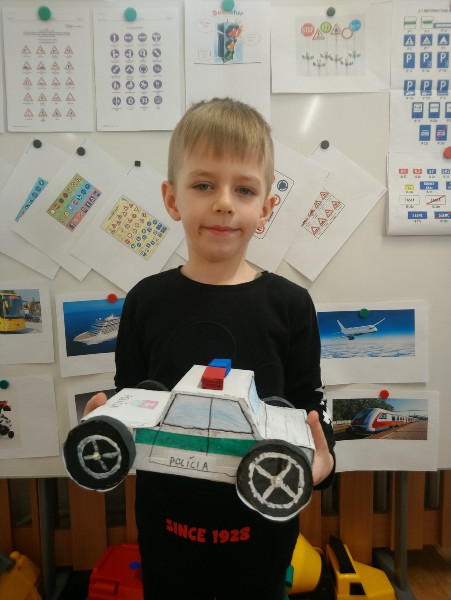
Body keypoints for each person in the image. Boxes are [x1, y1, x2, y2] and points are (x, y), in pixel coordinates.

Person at [85, 97, 335, 600]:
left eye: (244, 189)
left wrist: (322, 464)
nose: (224, 202)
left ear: (265, 208)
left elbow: (307, 404)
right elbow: (131, 392)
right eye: (203, 185)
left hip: (262, 538)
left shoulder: (291, 305)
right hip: (166, 534)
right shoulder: (145, 301)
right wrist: (109, 415)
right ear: (172, 198)